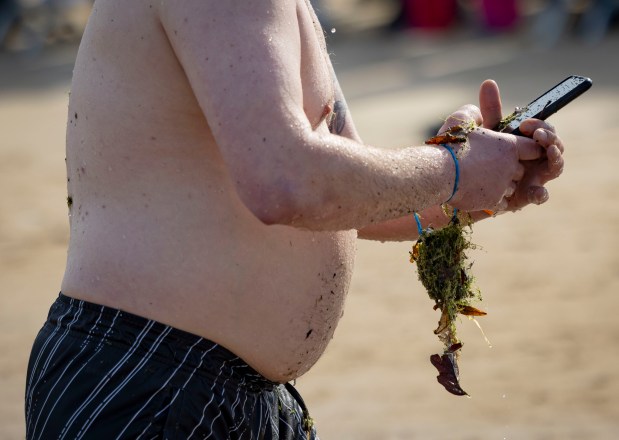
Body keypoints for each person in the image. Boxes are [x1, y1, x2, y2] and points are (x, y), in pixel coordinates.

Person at [24, 0, 564, 438]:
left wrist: (478, 185)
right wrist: (454, 169)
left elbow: (344, 199)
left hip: (217, 391)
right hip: (148, 383)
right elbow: (286, 183)